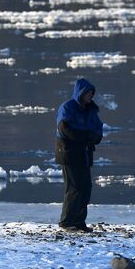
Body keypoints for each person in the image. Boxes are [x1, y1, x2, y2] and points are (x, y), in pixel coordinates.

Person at [55, 78, 103, 232]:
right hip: (69, 154)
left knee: (85, 188)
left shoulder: (91, 110)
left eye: (92, 93)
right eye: (88, 93)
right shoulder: (67, 107)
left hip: (84, 154)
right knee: (74, 187)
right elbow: (65, 129)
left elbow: (97, 130)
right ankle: (67, 222)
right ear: (80, 93)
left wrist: (93, 137)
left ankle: (79, 221)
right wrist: (86, 136)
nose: (90, 96)